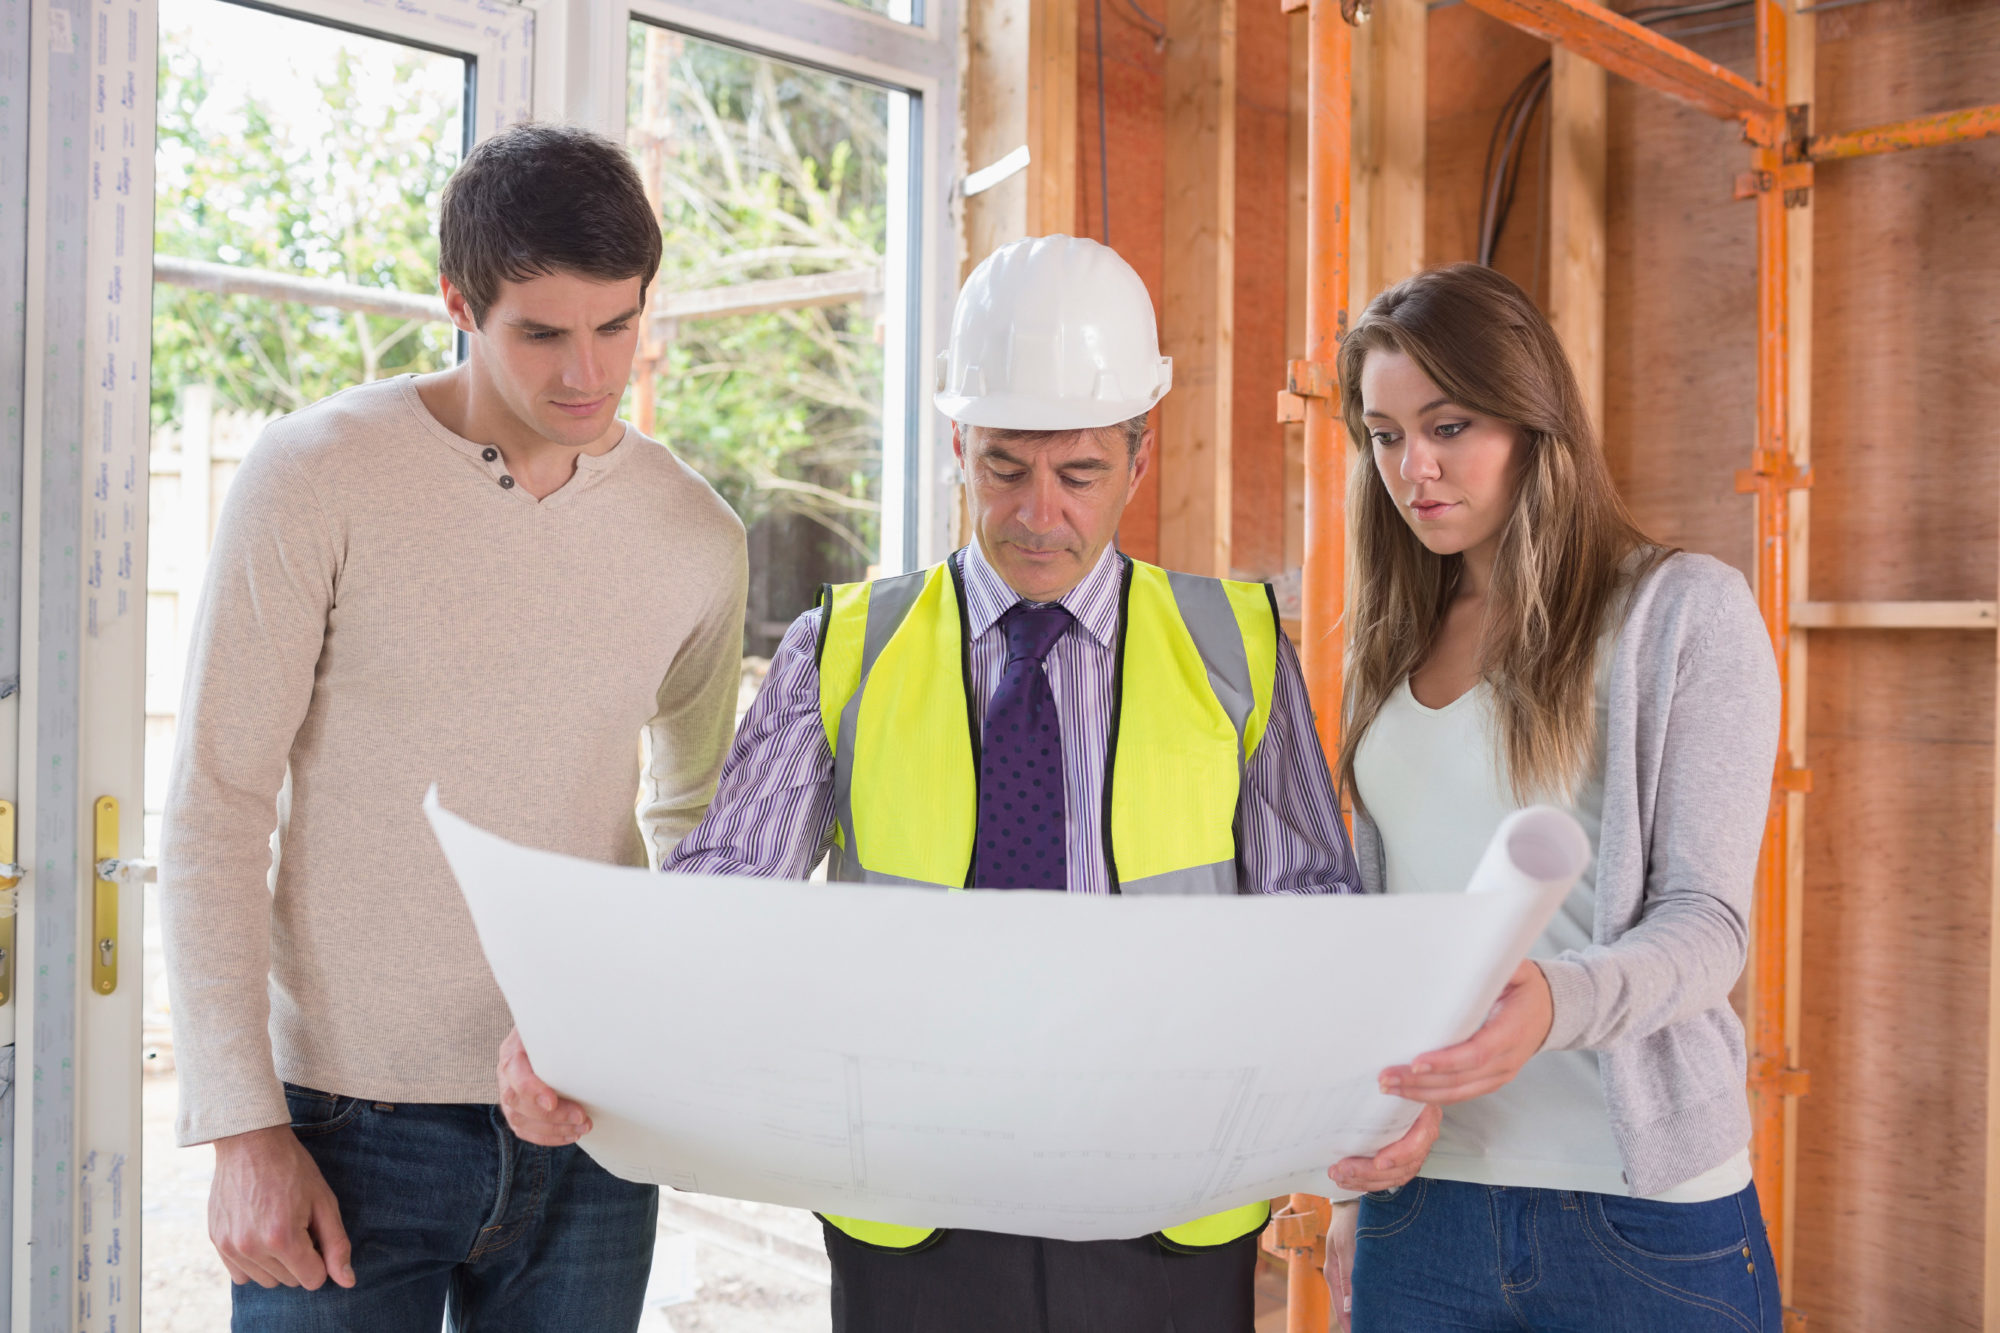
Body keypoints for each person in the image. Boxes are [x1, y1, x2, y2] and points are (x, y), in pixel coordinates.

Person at [496, 233, 1442, 1332]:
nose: (1039, 512)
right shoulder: (841, 644)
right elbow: (721, 895)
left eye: (1078, 472)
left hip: (1163, 1201)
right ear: (956, 445)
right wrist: (578, 1024)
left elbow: (1311, 911)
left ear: (1139, 456)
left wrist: (1373, 1078)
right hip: (916, 1202)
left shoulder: (1236, 645)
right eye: (1004, 466)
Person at [159, 122, 748, 1331]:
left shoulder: (696, 536)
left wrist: (661, 1053)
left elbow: (698, 826)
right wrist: (239, 1124)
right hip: (341, 1124)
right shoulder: (315, 474)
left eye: (618, 325)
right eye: (542, 332)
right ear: (458, 304)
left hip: (589, 1121)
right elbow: (217, 800)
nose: (588, 372)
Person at [1326, 262, 1782, 1333]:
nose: (1412, 468)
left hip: (1644, 1215)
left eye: (1447, 425)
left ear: (1533, 421)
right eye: (1383, 435)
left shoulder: (1681, 615)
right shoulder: (1384, 649)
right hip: (1422, 1202)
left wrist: (1553, 1003)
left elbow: (1707, 925)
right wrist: (1349, 1179)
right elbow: (1370, 937)